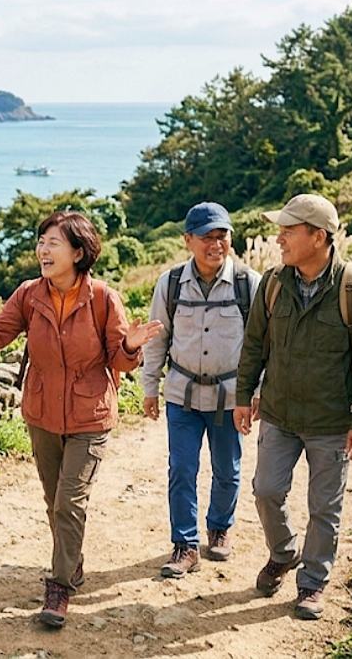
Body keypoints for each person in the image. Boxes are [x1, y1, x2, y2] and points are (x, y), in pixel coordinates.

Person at [0, 211, 161, 628]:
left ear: (78, 252)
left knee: (69, 501)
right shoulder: (28, 295)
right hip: (42, 414)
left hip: (89, 415)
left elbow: (119, 359)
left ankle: (59, 586)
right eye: (41, 241)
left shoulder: (102, 298)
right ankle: (72, 563)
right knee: (53, 500)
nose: (43, 249)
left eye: (53, 242)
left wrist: (129, 346)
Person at [234, 193, 352, 620]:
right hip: (280, 415)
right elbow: (253, 347)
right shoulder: (272, 284)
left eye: (289, 230)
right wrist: (243, 396)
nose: (279, 238)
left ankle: (312, 583)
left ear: (318, 236)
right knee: (266, 491)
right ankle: (284, 552)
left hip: (331, 422)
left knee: (324, 507)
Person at [141, 202, 261, 577]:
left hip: (230, 397)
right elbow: (156, 339)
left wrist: (256, 391)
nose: (215, 244)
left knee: (228, 468)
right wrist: (149, 387)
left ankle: (220, 529)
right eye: (206, 236)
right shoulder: (171, 283)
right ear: (188, 240)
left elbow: (263, 344)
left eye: (221, 235)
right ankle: (185, 544)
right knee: (182, 468)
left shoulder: (248, 283)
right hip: (182, 394)